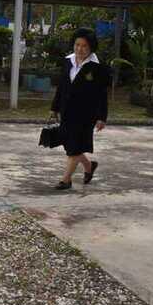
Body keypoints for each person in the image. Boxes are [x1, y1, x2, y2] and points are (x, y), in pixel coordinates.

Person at [50, 28, 110, 190]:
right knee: (70, 144)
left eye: (84, 46)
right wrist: (54, 108)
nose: (80, 49)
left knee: (75, 145)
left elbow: (102, 95)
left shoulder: (98, 68)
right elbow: (61, 87)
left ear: (91, 47)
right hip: (67, 111)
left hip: (86, 114)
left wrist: (102, 117)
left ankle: (66, 180)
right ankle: (89, 166)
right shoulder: (67, 61)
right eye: (77, 45)